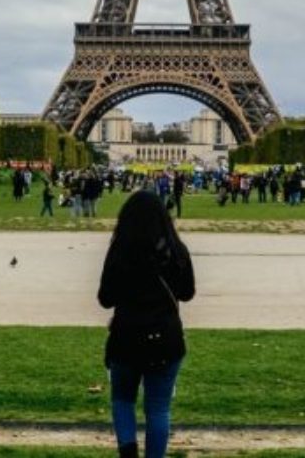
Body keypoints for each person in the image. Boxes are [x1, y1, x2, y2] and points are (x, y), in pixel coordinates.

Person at [97, 190, 196, 458]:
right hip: (165, 338)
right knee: (159, 409)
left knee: (122, 400)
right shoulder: (176, 250)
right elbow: (187, 293)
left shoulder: (120, 251)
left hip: (126, 336)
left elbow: (105, 299)